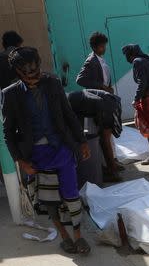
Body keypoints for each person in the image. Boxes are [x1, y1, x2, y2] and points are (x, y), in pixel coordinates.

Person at [2, 47, 91, 255]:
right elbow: (8, 133)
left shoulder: (52, 83)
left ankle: (79, 236)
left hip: (62, 149)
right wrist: (21, 162)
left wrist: (82, 141)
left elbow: (68, 115)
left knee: (71, 193)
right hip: (35, 156)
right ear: (18, 72)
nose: (35, 77)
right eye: (28, 75)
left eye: (37, 72)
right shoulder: (10, 95)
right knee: (49, 198)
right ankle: (64, 236)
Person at [67, 88, 123, 186]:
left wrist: (100, 122)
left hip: (107, 105)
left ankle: (114, 173)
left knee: (105, 141)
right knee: (102, 140)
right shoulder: (73, 98)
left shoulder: (71, 101)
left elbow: (98, 101)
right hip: (108, 103)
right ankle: (107, 169)